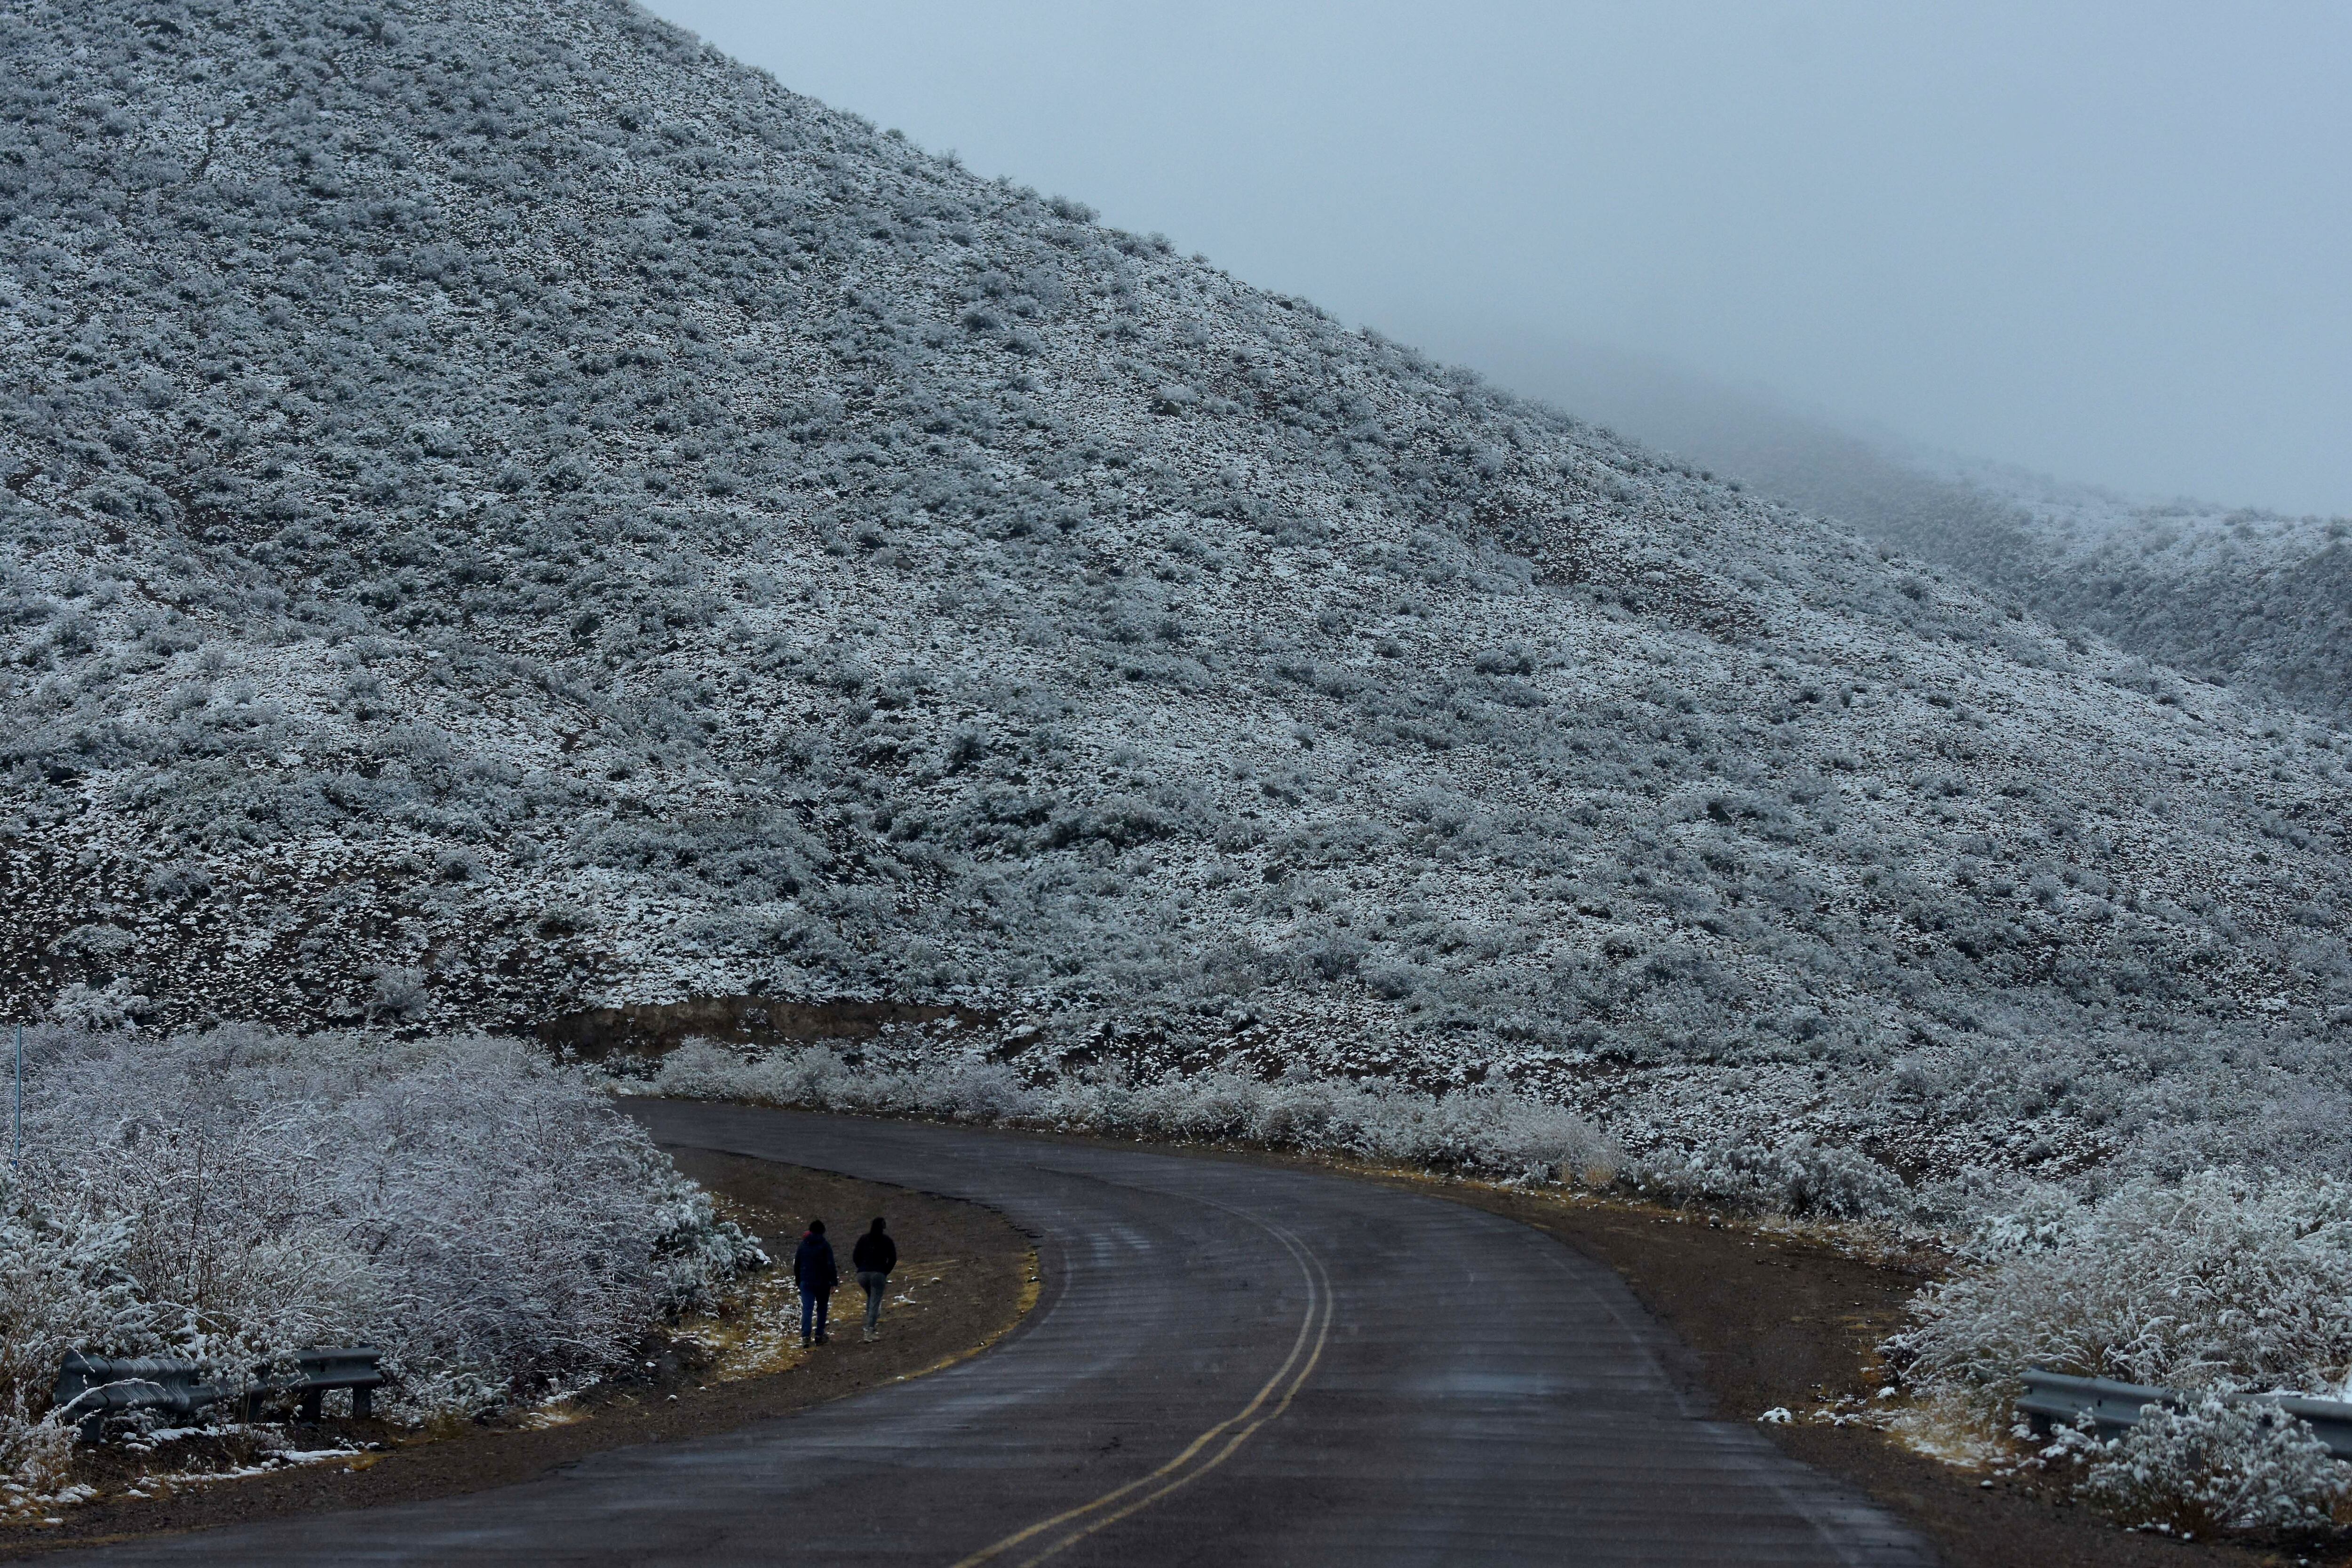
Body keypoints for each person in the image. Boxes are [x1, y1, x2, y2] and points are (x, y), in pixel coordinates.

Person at [851, 1217, 898, 1342]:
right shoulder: (887, 1241)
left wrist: (862, 1268)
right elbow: (893, 1259)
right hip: (878, 1273)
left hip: (862, 1274)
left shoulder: (863, 1239)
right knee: (875, 1301)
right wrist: (885, 1271)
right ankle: (870, 1330)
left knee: (871, 1297)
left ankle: (871, 1322)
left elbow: (855, 1256)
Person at [793, 1219, 838, 1346]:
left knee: (807, 1309)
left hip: (806, 1282)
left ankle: (806, 1337)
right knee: (822, 1308)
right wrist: (833, 1282)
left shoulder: (803, 1245)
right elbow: (831, 1264)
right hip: (823, 1282)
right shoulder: (824, 1245)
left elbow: (797, 1264)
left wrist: (799, 1280)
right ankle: (819, 1335)